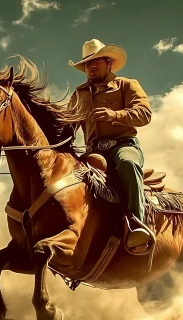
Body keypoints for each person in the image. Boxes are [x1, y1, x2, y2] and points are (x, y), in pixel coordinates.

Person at [67, 38, 155, 255]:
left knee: (127, 163)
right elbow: (67, 125)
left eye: (96, 61)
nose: (91, 66)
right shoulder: (79, 94)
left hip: (122, 145)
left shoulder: (127, 85)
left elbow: (145, 114)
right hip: (93, 152)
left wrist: (115, 115)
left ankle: (137, 225)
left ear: (109, 63)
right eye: (87, 63)